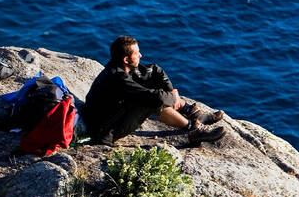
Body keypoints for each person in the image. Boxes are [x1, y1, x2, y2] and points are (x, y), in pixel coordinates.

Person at [81, 36, 226, 146]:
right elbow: (156, 98)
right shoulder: (118, 79)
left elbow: (155, 71)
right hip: (104, 131)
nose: (141, 55)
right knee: (152, 101)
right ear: (126, 59)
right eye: (136, 53)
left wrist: (171, 91)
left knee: (155, 90)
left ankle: (189, 111)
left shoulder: (122, 67)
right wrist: (172, 98)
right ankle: (193, 130)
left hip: (112, 116)